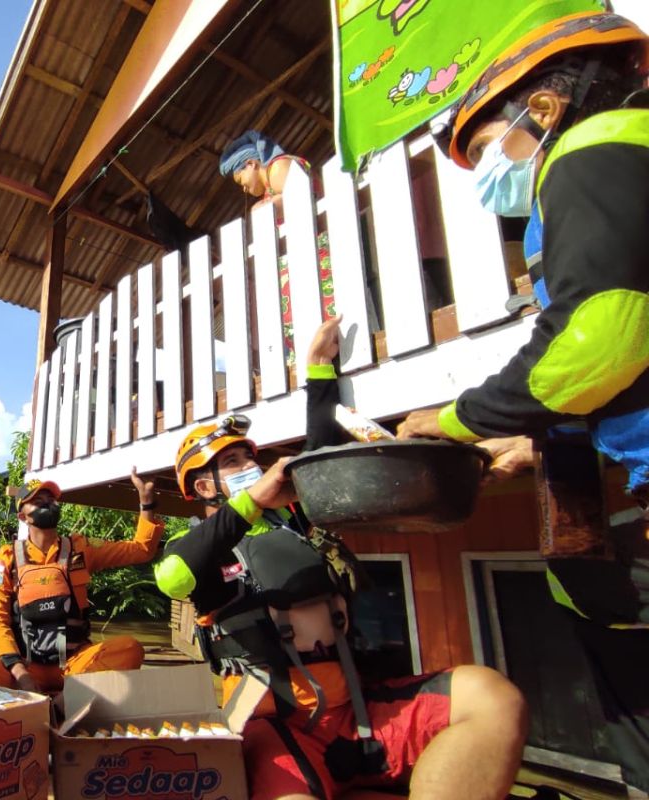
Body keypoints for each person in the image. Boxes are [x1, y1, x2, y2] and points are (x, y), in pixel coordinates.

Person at [398, 11, 649, 791]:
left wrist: (455, 416)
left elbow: (603, 340)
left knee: (615, 645)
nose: (487, 174)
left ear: (540, 110)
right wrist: (537, 443)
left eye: (485, 150)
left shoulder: (591, 150)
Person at [155, 318, 527, 800]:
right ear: (205, 488)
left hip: (356, 711)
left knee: (492, 696)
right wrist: (250, 503)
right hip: (279, 728)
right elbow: (172, 577)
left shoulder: (297, 522)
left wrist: (318, 370)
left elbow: (322, 447)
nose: (251, 467)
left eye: (250, 458)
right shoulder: (203, 549)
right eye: (233, 463)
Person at [0, 476, 164, 692]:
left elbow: (141, 550)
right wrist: (19, 672)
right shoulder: (8, 557)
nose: (47, 503)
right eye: (37, 500)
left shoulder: (81, 548)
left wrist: (146, 503)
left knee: (130, 649)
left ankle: (68, 698)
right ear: (22, 517)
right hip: (24, 666)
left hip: (73, 665)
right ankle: (66, 696)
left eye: (50, 499)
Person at [220, 130, 336, 367]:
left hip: (317, 253)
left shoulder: (278, 167)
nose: (243, 189)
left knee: (322, 311)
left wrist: (261, 208)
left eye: (241, 180)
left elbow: (298, 196)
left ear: (251, 164)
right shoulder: (269, 184)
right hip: (303, 257)